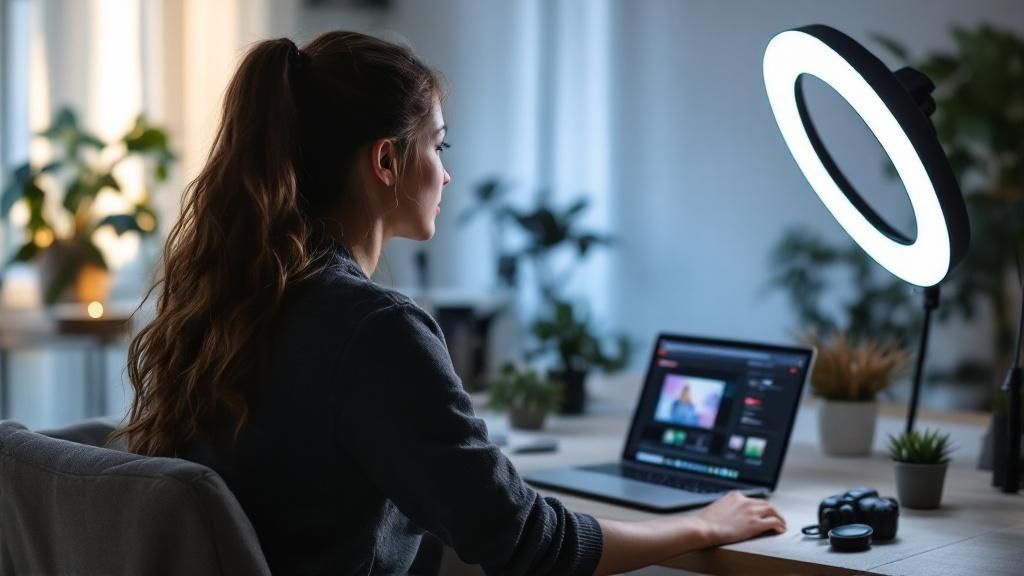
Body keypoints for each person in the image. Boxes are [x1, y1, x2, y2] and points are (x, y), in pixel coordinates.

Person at [113, 31, 786, 576]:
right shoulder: (372, 327)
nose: (447, 173)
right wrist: (701, 524)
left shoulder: (238, 304)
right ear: (386, 162)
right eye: (438, 145)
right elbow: (524, 545)